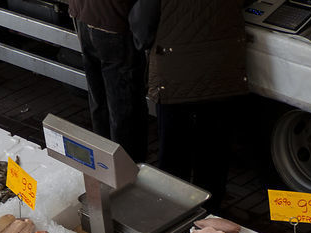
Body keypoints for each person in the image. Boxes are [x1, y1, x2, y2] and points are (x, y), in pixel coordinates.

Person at [146, 0, 249, 206]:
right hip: (221, 71)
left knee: (174, 155)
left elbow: (142, 24)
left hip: (174, 76)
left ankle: (174, 216)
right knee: (213, 152)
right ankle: (210, 216)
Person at [68, 0, 149, 163]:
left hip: (83, 15)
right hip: (113, 20)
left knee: (100, 103)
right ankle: (126, 171)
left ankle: (104, 166)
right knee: (124, 108)